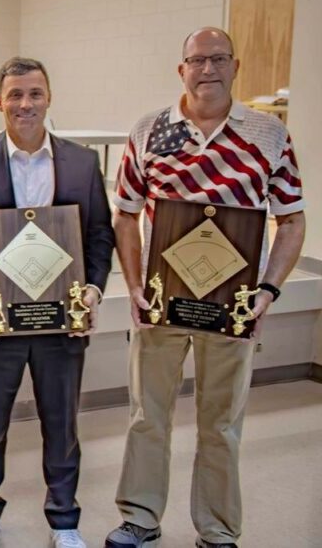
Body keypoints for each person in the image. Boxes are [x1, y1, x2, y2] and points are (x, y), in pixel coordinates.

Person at [104, 27, 305, 548]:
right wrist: (133, 287)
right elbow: (125, 216)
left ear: (235, 66)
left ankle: (216, 529)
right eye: (197, 60)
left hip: (233, 308)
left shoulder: (269, 136)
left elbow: (292, 220)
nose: (208, 69)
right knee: (148, 416)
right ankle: (140, 519)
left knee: (222, 424)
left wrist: (267, 292)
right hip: (160, 303)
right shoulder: (149, 130)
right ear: (182, 69)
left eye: (219, 59)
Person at [0, 57, 115, 548]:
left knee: (62, 422)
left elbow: (100, 235)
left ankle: (65, 520)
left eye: (34, 93)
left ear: (49, 97)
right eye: (15, 95)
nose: (25, 104)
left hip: (63, 323)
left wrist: (93, 291)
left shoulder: (82, 161)